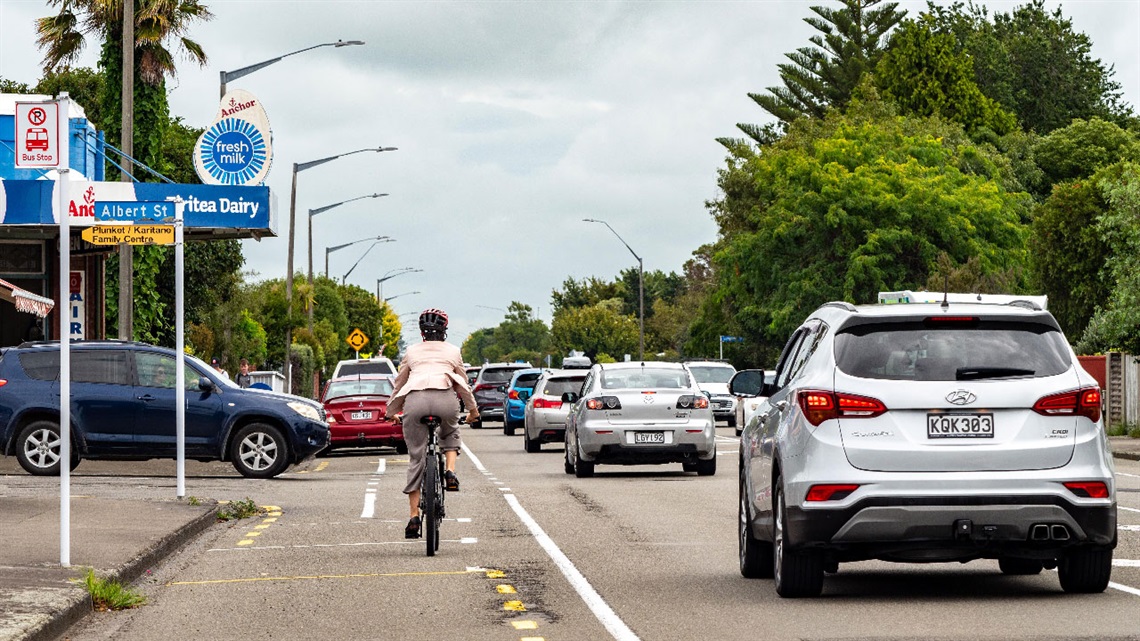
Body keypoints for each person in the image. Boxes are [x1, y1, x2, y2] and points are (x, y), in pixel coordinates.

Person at [386, 308, 479, 539]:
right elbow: (462, 384)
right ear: (444, 331)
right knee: (450, 433)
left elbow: (399, 384)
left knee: (417, 456)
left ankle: (413, 517)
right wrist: (472, 411)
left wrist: (392, 412)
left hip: (415, 401)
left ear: (421, 332)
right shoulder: (453, 352)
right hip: (445, 400)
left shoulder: (411, 352)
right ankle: (449, 472)